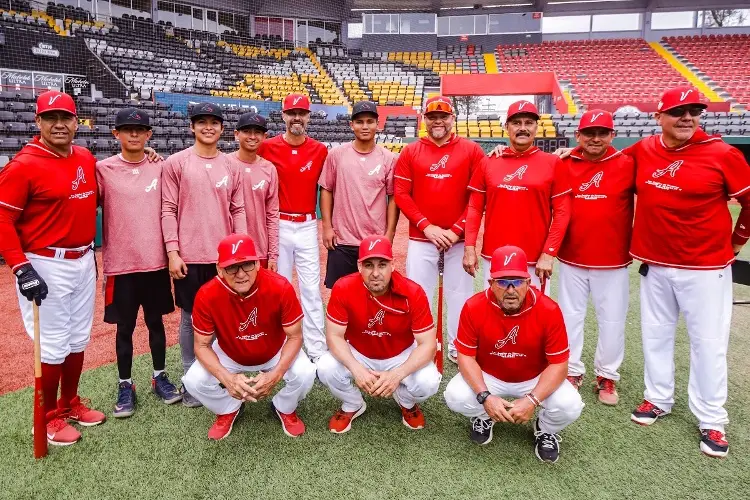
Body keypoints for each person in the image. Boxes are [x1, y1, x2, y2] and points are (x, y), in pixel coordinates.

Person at [622, 87, 750, 458]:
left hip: (705, 268)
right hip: (656, 265)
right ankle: (657, 398)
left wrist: (737, 241)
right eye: (678, 111)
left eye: (694, 111)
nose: (687, 118)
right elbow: (606, 160)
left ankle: (711, 418)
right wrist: (570, 152)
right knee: (656, 336)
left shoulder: (722, 153)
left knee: (708, 343)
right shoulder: (644, 149)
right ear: (659, 116)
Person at [0, 90, 105, 446]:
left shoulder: (85, 156)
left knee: (78, 338)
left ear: (77, 122)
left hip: (84, 259)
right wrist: (20, 267)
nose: (59, 124)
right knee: (52, 345)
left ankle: (69, 404)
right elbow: (2, 218)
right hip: (45, 262)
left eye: (66, 118)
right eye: (50, 118)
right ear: (38, 122)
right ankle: (44, 420)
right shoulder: (23, 165)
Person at [444, 246, 583, 463]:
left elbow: (559, 365)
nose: (511, 289)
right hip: (489, 375)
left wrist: (532, 400)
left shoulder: (549, 309)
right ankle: (484, 416)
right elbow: (465, 357)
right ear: (490, 283)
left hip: (534, 377)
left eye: (517, 281)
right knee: (455, 396)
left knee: (570, 405)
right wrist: (485, 397)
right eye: (503, 281)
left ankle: (545, 429)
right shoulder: (474, 306)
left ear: (529, 283)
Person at [182, 234, 316, 440]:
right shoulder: (207, 294)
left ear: (258, 264)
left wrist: (276, 375)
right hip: (230, 352)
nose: (241, 274)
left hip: (274, 349)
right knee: (193, 381)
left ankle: (284, 406)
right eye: (232, 267)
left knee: (306, 373)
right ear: (219, 269)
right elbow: (201, 345)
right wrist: (227, 380)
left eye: (247, 265)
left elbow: (295, 337)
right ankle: (229, 408)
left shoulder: (279, 286)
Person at [96, 107, 182, 418]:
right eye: (127, 129)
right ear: (115, 134)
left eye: (140, 129)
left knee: (156, 323)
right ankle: (125, 384)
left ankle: (159, 376)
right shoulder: (102, 169)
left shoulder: (161, 168)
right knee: (124, 328)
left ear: (149, 135)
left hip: (155, 263)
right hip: (121, 265)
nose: (134, 134)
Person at [161, 102, 247, 407]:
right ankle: (190, 378)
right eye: (201, 122)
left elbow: (237, 209)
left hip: (225, 259)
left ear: (222, 128)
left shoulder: (232, 166)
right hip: (190, 255)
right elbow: (168, 209)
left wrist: (241, 251)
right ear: (192, 127)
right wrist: (173, 251)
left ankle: (223, 374)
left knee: (227, 316)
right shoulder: (176, 162)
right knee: (189, 318)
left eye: (214, 122)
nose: (207, 127)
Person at [317, 235, 441, 433]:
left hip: (400, 355)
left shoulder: (413, 292)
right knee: (325, 367)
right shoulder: (343, 287)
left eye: (382, 265)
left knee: (429, 382)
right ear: (359, 267)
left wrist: (397, 375)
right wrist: (357, 369)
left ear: (392, 265)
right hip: (359, 352)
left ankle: (406, 400)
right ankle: (353, 403)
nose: (375, 273)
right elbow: (334, 336)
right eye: (368, 265)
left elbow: (427, 344)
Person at [394, 95, 485, 364]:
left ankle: (459, 346)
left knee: (460, 295)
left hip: (457, 240)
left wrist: (456, 230)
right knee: (419, 294)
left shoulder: (471, 150)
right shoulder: (411, 151)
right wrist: (428, 227)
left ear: (452, 118)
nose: (438, 121)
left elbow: (478, 197)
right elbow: (401, 193)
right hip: (422, 239)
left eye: (443, 116)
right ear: (425, 119)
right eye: (432, 116)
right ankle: (421, 345)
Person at [556, 110, 635, 401]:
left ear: (612, 136)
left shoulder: (627, 163)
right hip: (571, 257)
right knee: (569, 318)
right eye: (589, 133)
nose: (596, 138)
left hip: (613, 259)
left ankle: (607, 376)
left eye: (602, 133)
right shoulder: (564, 162)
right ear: (578, 135)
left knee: (612, 320)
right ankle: (571, 371)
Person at [464, 100, 571, 294]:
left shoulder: (553, 163)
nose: (523, 128)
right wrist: (469, 248)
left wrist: (548, 253)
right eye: (516, 123)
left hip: (535, 260)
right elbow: (474, 208)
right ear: (506, 127)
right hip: (494, 257)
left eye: (528, 123)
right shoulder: (488, 162)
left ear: (537, 127)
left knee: (535, 317)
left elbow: (562, 213)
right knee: (495, 314)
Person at [258, 93, 328, 361]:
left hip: (308, 224)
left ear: (309, 116)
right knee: (280, 288)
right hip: (279, 226)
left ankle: (317, 351)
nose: (296, 117)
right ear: (283, 115)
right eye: (291, 112)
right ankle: (281, 347)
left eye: (302, 112)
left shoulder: (320, 150)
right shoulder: (267, 147)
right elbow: (236, 160)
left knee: (310, 289)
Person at [319, 100, 399, 288]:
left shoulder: (389, 158)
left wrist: (389, 234)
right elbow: (326, 189)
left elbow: (393, 198)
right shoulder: (336, 155)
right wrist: (327, 227)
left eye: (370, 121)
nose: (365, 126)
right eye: (359, 122)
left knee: (375, 292)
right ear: (351, 125)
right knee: (339, 294)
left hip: (375, 240)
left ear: (377, 125)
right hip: (342, 240)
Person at [228, 112, 279, 271]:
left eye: (257, 132)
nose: (252, 136)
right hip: (229, 247)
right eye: (247, 131)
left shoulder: (269, 169)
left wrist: (273, 254)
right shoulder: (224, 163)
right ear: (236, 134)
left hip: (259, 249)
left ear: (264, 136)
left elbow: (272, 214)